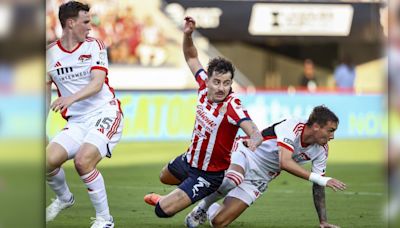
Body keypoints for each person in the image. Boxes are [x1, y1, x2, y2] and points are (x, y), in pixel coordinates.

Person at [143, 16, 263, 221]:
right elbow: (191, 57)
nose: (221, 88)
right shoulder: (201, 86)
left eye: (226, 83)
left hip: (209, 174)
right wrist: (188, 35)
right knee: (164, 176)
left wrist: (255, 138)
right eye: (216, 82)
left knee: (162, 211)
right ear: (207, 80)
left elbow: (252, 128)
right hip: (189, 160)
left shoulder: (231, 106)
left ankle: (194, 196)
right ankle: (183, 193)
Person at [186, 105, 347, 228]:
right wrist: (322, 179)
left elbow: (318, 186)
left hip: (261, 178)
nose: (332, 136)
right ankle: (201, 208)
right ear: (317, 126)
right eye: (330, 130)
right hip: (247, 154)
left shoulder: (321, 150)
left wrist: (323, 221)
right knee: (233, 179)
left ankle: (210, 209)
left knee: (219, 222)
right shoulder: (294, 126)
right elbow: (285, 162)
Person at [46, 1, 123, 228]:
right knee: (47, 162)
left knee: (83, 161)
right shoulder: (49, 55)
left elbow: (98, 84)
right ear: (70, 23)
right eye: (86, 22)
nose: (90, 27)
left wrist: (70, 98)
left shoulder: (94, 46)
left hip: (105, 113)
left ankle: (105, 220)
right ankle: (64, 198)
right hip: (77, 122)